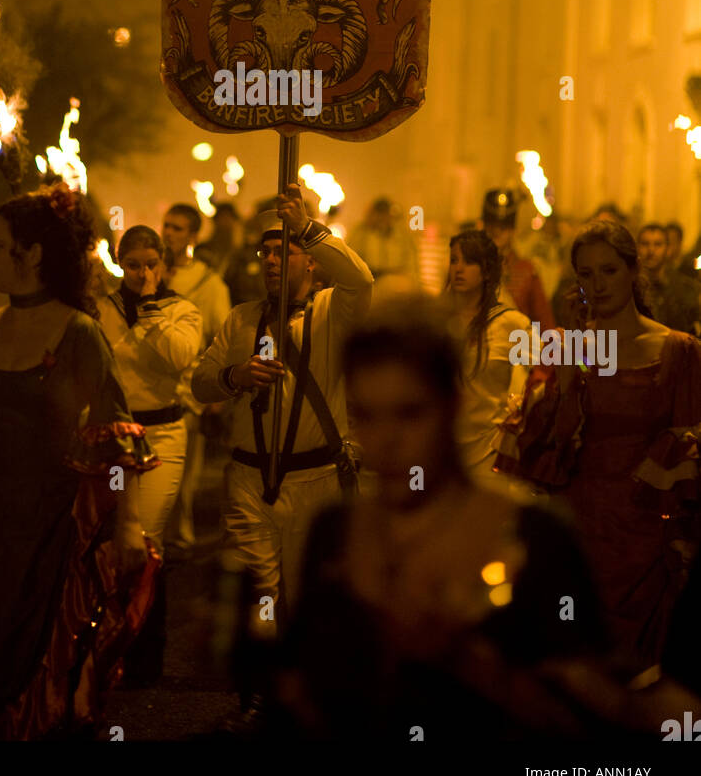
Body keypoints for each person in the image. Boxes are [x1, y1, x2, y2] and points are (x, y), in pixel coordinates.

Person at [271, 300, 610, 741]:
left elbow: (581, 711)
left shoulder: (535, 535)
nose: (385, 440)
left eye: (409, 414)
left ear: (452, 405)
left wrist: (461, 658)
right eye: (365, 416)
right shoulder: (335, 528)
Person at [0, 185, 159, 739]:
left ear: (34, 254)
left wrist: (128, 524)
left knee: (34, 656)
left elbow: (118, 438)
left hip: (49, 528)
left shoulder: (79, 334)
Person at [496, 220, 701, 675]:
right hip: (578, 531)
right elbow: (544, 451)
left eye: (608, 270)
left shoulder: (679, 350)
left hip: (647, 540)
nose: (597, 284)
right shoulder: (570, 347)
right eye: (585, 274)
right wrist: (570, 362)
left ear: (633, 271)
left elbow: (690, 457)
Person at [192, 184, 373, 653]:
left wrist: (310, 227)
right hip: (249, 478)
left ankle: (309, 704)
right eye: (265, 252)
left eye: (283, 252)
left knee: (312, 597)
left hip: (316, 480)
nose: (270, 261)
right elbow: (201, 381)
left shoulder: (335, 309)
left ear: (311, 260)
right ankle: (259, 701)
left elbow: (362, 279)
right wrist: (235, 376)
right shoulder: (240, 318)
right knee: (260, 597)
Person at [98, 223, 202, 681]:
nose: (142, 273)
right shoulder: (100, 309)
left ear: (164, 266)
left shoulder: (182, 310)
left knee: (144, 541)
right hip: (113, 437)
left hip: (161, 437)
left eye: (151, 265)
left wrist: (152, 309)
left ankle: (144, 650)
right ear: (120, 263)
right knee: (107, 541)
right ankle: (103, 645)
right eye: (134, 265)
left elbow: (178, 357)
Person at [161, 203, 231, 552]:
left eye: (177, 228)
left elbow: (221, 340)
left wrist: (216, 396)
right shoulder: (152, 274)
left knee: (181, 477)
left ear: (192, 235)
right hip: (149, 391)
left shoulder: (208, 282)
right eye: (166, 226)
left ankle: (179, 544)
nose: (168, 233)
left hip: (188, 394)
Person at [445, 230, 532, 485]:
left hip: (489, 451)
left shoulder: (510, 324)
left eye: (469, 261)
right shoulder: (436, 319)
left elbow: (546, 371)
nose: (458, 269)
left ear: (486, 270)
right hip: (443, 453)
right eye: (453, 260)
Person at [481, 189, 555, 329]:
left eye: (504, 226)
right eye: (492, 225)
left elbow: (545, 326)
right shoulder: (471, 266)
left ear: (512, 229)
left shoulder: (527, 271)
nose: (497, 231)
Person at [637, 221, 700, 336]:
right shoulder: (627, 288)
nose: (651, 251)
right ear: (637, 248)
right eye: (645, 244)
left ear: (667, 249)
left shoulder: (686, 289)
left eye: (658, 244)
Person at [349, 197, 420, 286]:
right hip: (370, 283)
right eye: (379, 214)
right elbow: (352, 261)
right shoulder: (360, 234)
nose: (382, 218)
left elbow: (412, 264)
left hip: (397, 284)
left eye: (385, 214)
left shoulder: (402, 236)